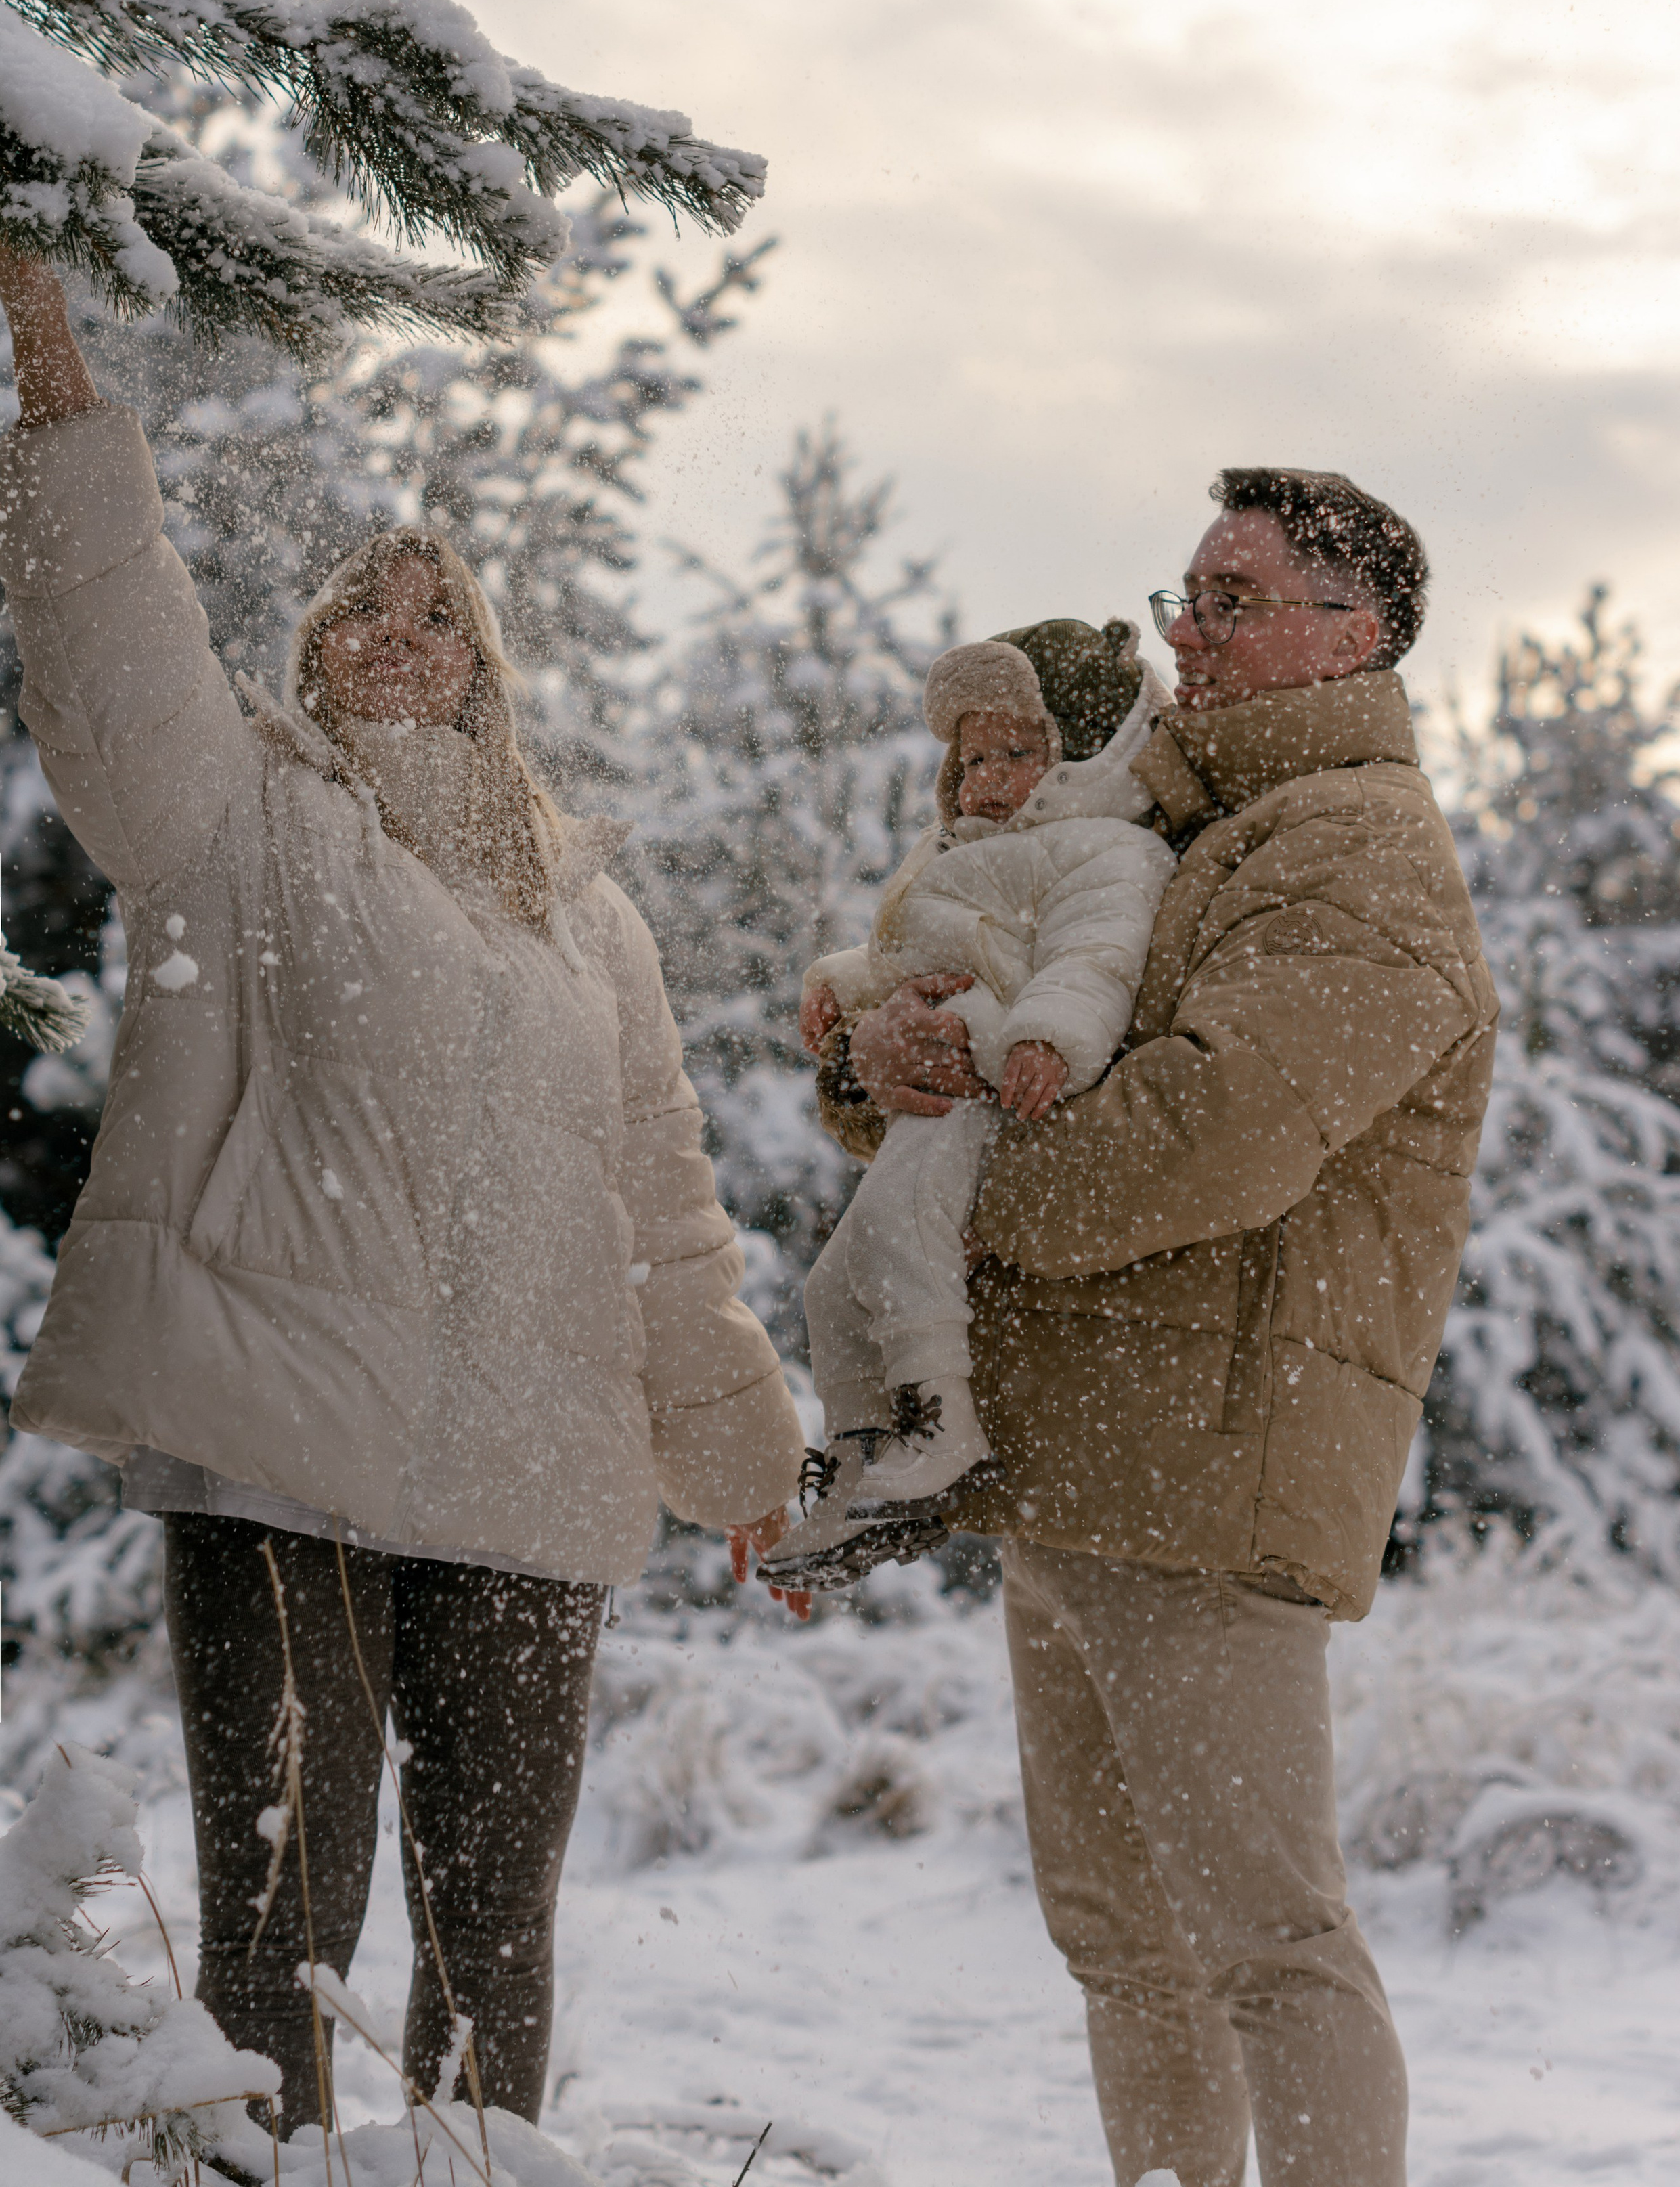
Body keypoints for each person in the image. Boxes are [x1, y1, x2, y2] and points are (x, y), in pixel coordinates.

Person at [0, 250, 808, 2138]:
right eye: (363, 602)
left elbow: (667, 1215)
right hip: (285, 1440)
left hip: (534, 1468)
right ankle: (244, 2182)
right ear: (307, 650)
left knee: (492, 1933)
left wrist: (743, 1459)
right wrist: (58, 392)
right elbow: (114, 652)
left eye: (437, 614)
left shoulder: (588, 922)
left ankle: (477, 2183)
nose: (398, 627)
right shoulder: (237, 817)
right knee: (290, 1905)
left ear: (489, 673)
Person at [810, 470, 1498, 2187]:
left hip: (1210, 1482)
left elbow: (1210, 1136)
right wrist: (876, 1065)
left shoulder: (1355, 848)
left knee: (1267, 1942)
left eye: (1229, 600)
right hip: (1081, 1466)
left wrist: (957, 1185)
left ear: (1352, 636)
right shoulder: (1154, 826)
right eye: (1181, 593)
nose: (1179, 632)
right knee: (1124, 1945)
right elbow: (995, 1019)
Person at [764, 619, 1174, 1578]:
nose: (986, 777)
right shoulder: (965, 852)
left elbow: (1094, 961)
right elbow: (913, 959)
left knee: (906, 1238)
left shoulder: (1106, 849)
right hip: (939, 1096)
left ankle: (941, 1428)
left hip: (991, 1095)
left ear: (1086, 752)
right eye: (973, 755)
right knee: (835, 1281)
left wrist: (1047, 1038)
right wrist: (842, 982)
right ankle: (864, 1457)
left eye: (1017, 752)